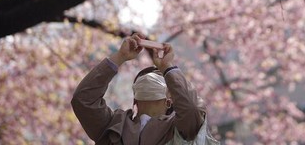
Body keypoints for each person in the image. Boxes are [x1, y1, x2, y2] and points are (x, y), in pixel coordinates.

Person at [71, 33, 207, 145]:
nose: (150, 77)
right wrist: (119, 57)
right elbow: (83, 100)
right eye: (144, 77)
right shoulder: (112, 125)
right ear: (135, 98)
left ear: (170, 100)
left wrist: (167, 67)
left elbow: (192, 110)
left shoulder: (180, 130)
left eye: (160, 76)